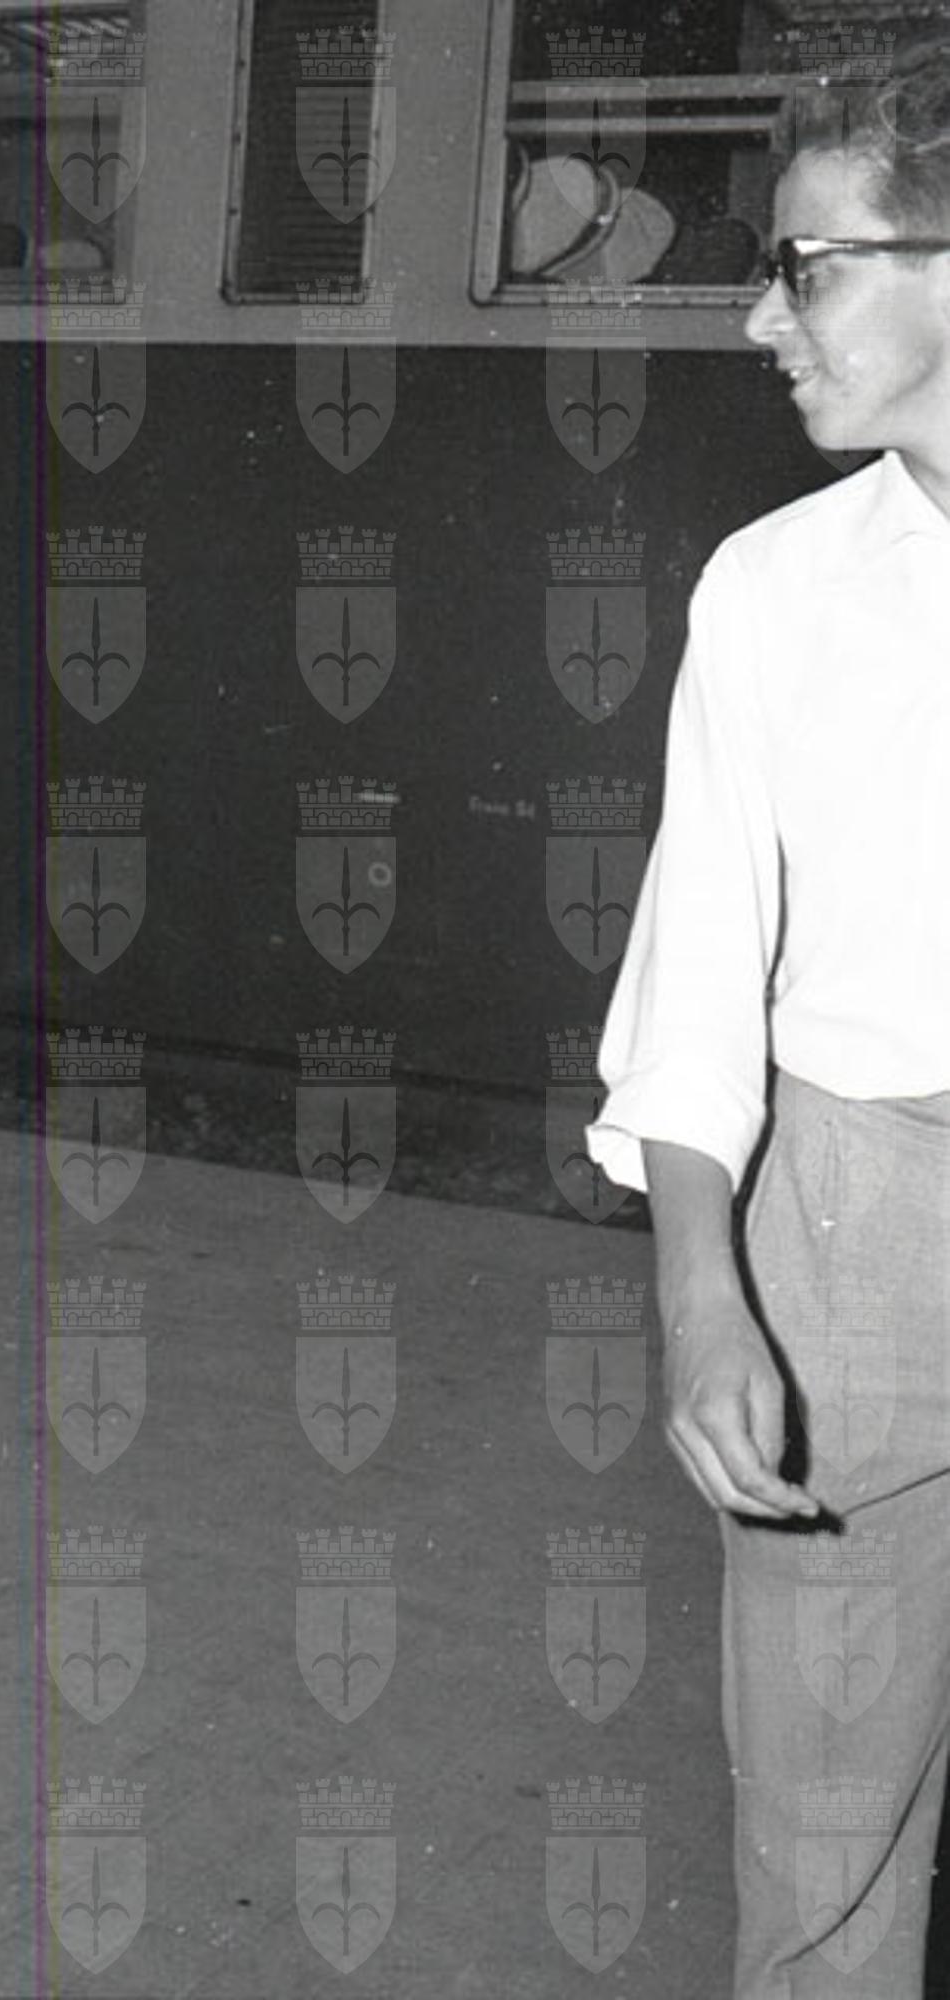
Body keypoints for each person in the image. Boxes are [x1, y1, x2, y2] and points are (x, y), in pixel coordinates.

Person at [589, 39, 950, 1998]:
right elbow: (698, 966)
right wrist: (702, 1297)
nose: (757, 316)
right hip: (851, 1222)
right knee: (819, 1846)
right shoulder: (773, 589)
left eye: (804, 266)